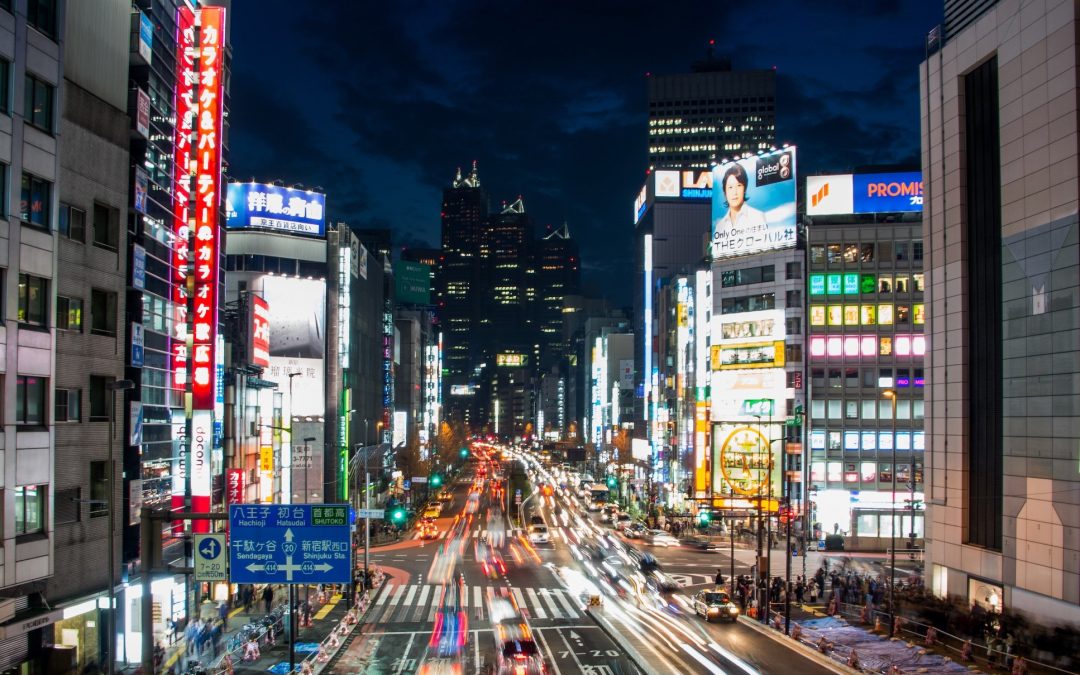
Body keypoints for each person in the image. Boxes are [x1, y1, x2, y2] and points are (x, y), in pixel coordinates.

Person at [714, 163, 767, 237]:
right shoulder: (720, 227)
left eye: (739, 186)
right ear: (725, 192)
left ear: (744, 188)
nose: (734, 192)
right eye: (730, 187)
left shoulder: (757, 217)